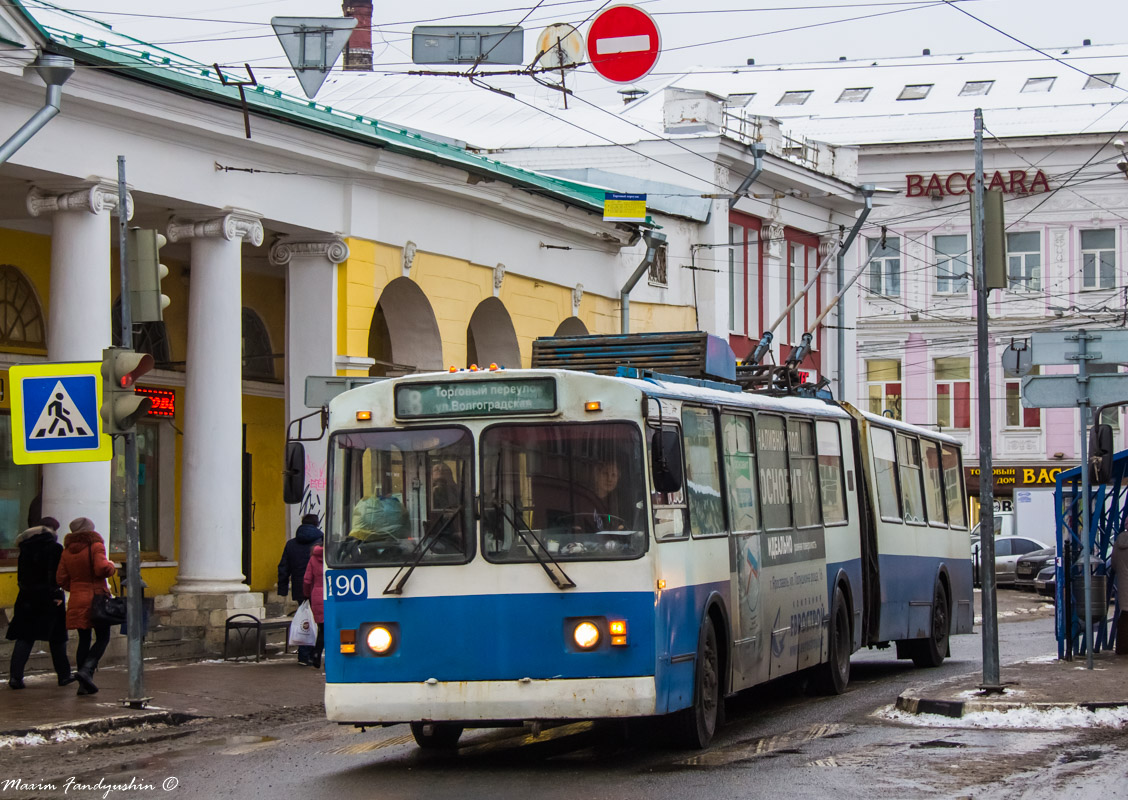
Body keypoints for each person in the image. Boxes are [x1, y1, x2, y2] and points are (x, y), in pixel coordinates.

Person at [6, 517, 75, 690]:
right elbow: (56, 576)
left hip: (27, 598)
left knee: (25, 637)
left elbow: (22, 577)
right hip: (50, 598)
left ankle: (15, 677)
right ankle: (64, 675)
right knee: (57, 637)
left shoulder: (25, 548)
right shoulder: (55, 549)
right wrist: (56, 593)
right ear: (52, 530)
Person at [56, 517, 116, 696]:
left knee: (84, 639)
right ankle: (87, 670)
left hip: (76, 598)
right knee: (103, 637)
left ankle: (83, 685)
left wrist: (76, 587)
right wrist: (111, 567)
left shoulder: (66, 551)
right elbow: (101, 569)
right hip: (96, 598)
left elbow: (61, 579)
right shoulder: (96, 545)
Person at [278, 514, 322, 666]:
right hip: (319, 588)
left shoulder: (291, 544)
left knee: (305, 619)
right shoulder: (321, 542)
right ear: (317, 524)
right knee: (320, 622)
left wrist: (283, 589)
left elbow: (283, 567)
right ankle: (314, 653)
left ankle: (304, 655)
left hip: (299, 588)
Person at [302, 544, 325, 669]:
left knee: (322, 628)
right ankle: (329, 657)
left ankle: (316, 654)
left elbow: (307, 580)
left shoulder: (313, 558)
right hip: (333, 593)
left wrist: (306, 594)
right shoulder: (334, 555)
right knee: (332, 627)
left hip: (317, 594)